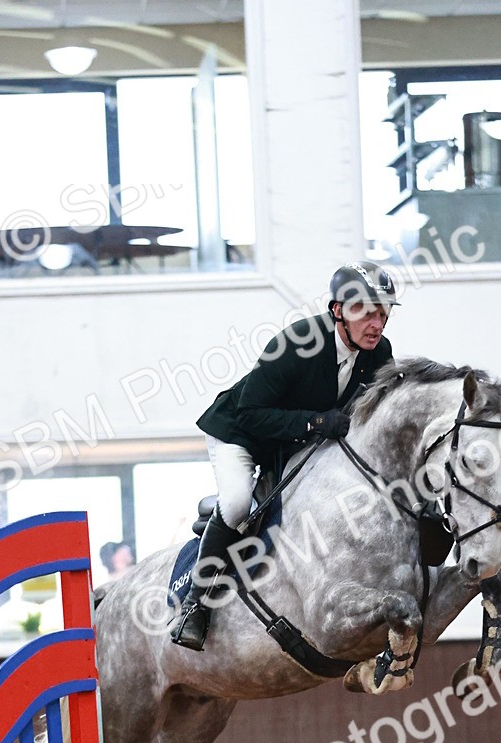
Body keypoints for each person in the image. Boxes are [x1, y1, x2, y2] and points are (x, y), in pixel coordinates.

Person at [170, 261, 400, 651]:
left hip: (292, 446)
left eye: (383, 312)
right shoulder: (299, 341)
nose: (375, 323)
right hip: (241, 435)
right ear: (337, 310)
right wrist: (313, 423)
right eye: (365, 311)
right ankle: (196, 604)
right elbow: (249, 411)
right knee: (240, 501)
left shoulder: (379, 354)